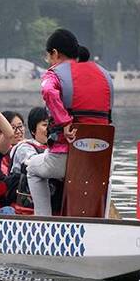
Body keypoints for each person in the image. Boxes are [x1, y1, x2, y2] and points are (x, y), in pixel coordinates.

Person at [26, 28, 113, 216]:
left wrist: (65, 122)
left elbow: (48, 92)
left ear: (55, 53)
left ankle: (43, 224)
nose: (49, 61)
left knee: (32, 167)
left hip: (66, 157)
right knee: (104, 179)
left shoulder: (54, 74)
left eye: (49, 56)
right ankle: (101, 220)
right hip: (100, 159)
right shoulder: (104, 75)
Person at [5, 107, 53, 213]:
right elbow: (38, 164)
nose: (50, 129)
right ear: (33, 130)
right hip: (26, 209)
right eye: (45, 125)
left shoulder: (56, 149)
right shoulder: (24, 147)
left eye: (52, 124)